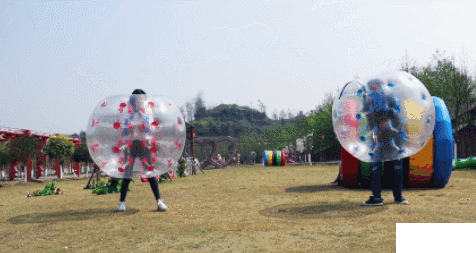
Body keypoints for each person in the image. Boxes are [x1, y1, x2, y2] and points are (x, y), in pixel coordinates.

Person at [359, 79, 408, 206]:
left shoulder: (390, 98)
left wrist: (388, 121)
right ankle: (376, 198)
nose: (372, 90)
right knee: (375, 167)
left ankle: (398, 197)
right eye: (370, 88)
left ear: (381, 87)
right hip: (377, 138)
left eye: (374, 88)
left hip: (393, 138)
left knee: (396, 167)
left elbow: (399, 114)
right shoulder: (368, 101)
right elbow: (364, 117)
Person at [117, 89, 167, 212]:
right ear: (133, 101)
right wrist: (132, 128)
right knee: (127, 174)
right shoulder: (126, 113)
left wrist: (143, 127)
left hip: (145, 145)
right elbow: (124, 131)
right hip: (131, 145)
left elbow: (149, 129)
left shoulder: (148, 111)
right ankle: (121, 203)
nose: (140, 102)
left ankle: (159, 201)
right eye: (137, 100)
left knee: (150, 173)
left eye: (142, 99)